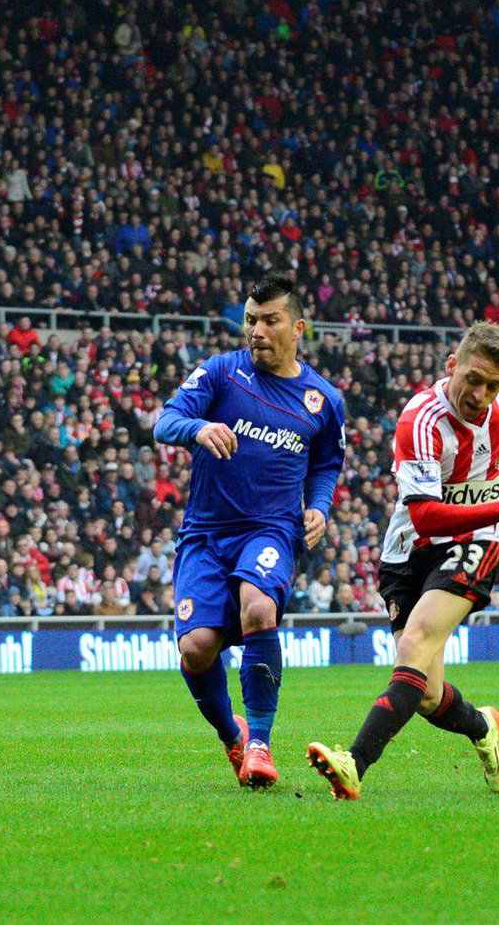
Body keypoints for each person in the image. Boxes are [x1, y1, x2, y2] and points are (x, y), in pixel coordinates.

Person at [306, 323, 499, 800]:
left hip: (477, 540)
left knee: (416, 641)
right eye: (474, 379)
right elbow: (426, 517)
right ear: (452, 365)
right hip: (410, 548)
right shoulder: (421, 421)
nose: (482, 394)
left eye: (493, 384)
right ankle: (483, 726)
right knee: (428, 695)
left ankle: (354, 763)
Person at [153, 273, 346, 788]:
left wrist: (320, 507)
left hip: (271, 528)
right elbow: (164, 422)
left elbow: (327, 463)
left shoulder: (323, 400)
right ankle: (232, 735)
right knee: (195, 648)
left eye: (270, 320)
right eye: (251, 320)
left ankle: (261, 742)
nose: (257, 330)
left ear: (298, 327)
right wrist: (198, 427)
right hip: (206, 532)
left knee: (259, 607)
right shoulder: (220, 373)